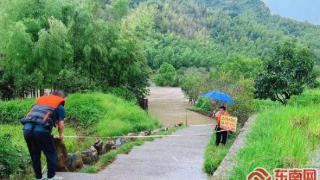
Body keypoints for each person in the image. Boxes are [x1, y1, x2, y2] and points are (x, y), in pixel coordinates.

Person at [21, 90, 67, 180]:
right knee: (51, 153)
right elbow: (61, 125)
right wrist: (61, 135)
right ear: (62, 97)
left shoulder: (39, 103)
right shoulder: (60, 106)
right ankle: (51, 177)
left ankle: (38, 178)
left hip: (27, 130)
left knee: (35, 154)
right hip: (41, 131)